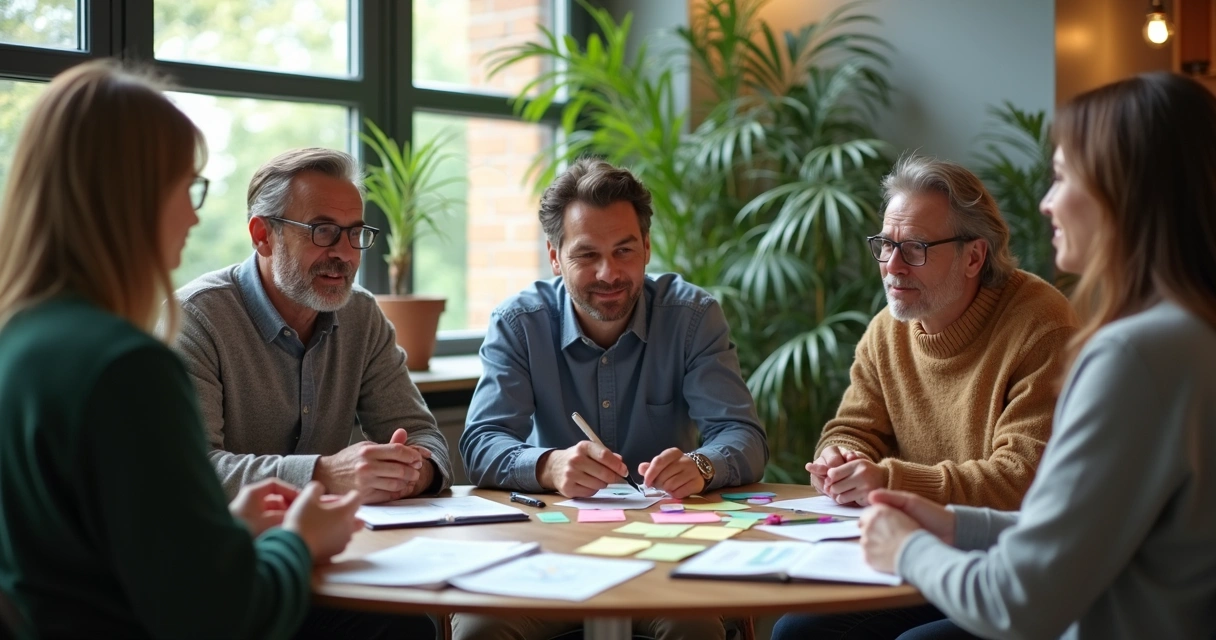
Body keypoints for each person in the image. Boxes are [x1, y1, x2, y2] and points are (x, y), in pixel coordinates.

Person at [0, 59, 363, 639]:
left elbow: (92, 549)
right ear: (130, 197)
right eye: (186, 187)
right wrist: (301, 541)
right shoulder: (128, 366)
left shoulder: (21, 340)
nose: (194, 214)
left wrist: (221, 532)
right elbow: (216, 616)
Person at [859, 72, 1216, 640]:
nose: (1047, 203)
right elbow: (1090, 530)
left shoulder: (1133, 356)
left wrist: (907, 550)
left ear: (1123, 192)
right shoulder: (1189, 333)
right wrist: (956, 524)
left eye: (1062, 177)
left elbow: (1018, 601)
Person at [456, 158, 768, 640]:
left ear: (646, 248)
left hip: (664, 556)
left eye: (624, 250)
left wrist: (702, 466)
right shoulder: (519, 323)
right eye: (586, 255)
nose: (609, 272)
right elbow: (480, 442)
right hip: (546, 556)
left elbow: (743, 436)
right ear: (555, 257)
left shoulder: (692, 317)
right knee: (482, 629)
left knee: (695, 630)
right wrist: (549, 466)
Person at [773, 156, 1077, 640]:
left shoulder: (1041, 326)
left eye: (914, 248)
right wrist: (840, 458)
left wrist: (887, 478)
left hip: (1010, 570)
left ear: (974, 257)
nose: (892, 266)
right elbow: (853, 427)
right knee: (797, 631)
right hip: (914, 554)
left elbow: (1021, 482)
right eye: (886, 245)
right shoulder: (887, 330)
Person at [173, 147, 453, 504]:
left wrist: (410, 472)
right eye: (323, 231)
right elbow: (190, 470)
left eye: (355, 233)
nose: (345, 254)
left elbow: (423, 437)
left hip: (336, 539)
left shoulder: (361, 314)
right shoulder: (195, 319)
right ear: (262, 236)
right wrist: (325, 474)